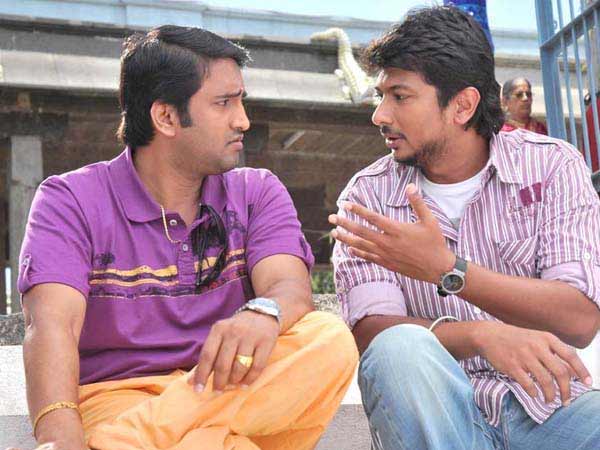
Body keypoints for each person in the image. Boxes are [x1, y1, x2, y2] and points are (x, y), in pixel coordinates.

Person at [10, 25, 357, 450]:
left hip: (225, 384)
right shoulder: (70, 200)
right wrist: (60, 439)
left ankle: (122, 444)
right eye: (224, 103)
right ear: (166, 117)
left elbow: (289, 288)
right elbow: (52, 326)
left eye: (241, 100)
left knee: (329, 339)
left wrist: (262, 312)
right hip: (117, 397)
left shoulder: (257, 191)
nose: (243, 120)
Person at [329, 6, 600, 450]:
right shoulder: (367, 197)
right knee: (400, 349)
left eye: (400, 96)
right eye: (382, 96)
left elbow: (580, 319)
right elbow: (373, 334)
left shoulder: (552, 167)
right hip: (434, 411)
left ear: (463, 105)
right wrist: (479, 335)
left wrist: (448, 270)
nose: (380, 115)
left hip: (548, 406)